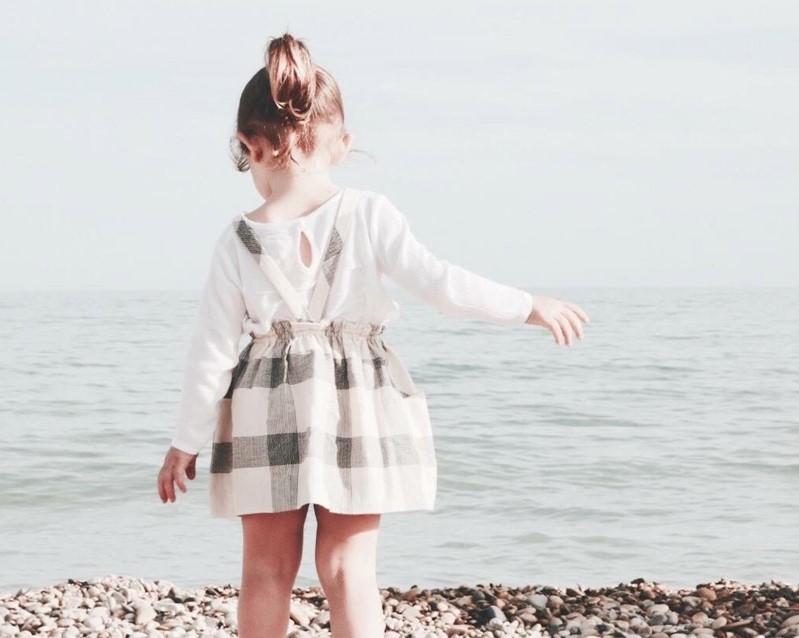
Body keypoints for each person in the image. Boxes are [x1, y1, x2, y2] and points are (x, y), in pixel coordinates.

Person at [155, 32, 589, 638]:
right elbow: (440, 284)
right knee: (347, 566)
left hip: (265, 402)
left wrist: (186, 442)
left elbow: (211, 353)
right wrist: (527, 306)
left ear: (248, 147)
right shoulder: (370, 214)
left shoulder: (237, 240)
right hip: (356, 400)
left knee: (264, 570)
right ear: (343, 143)